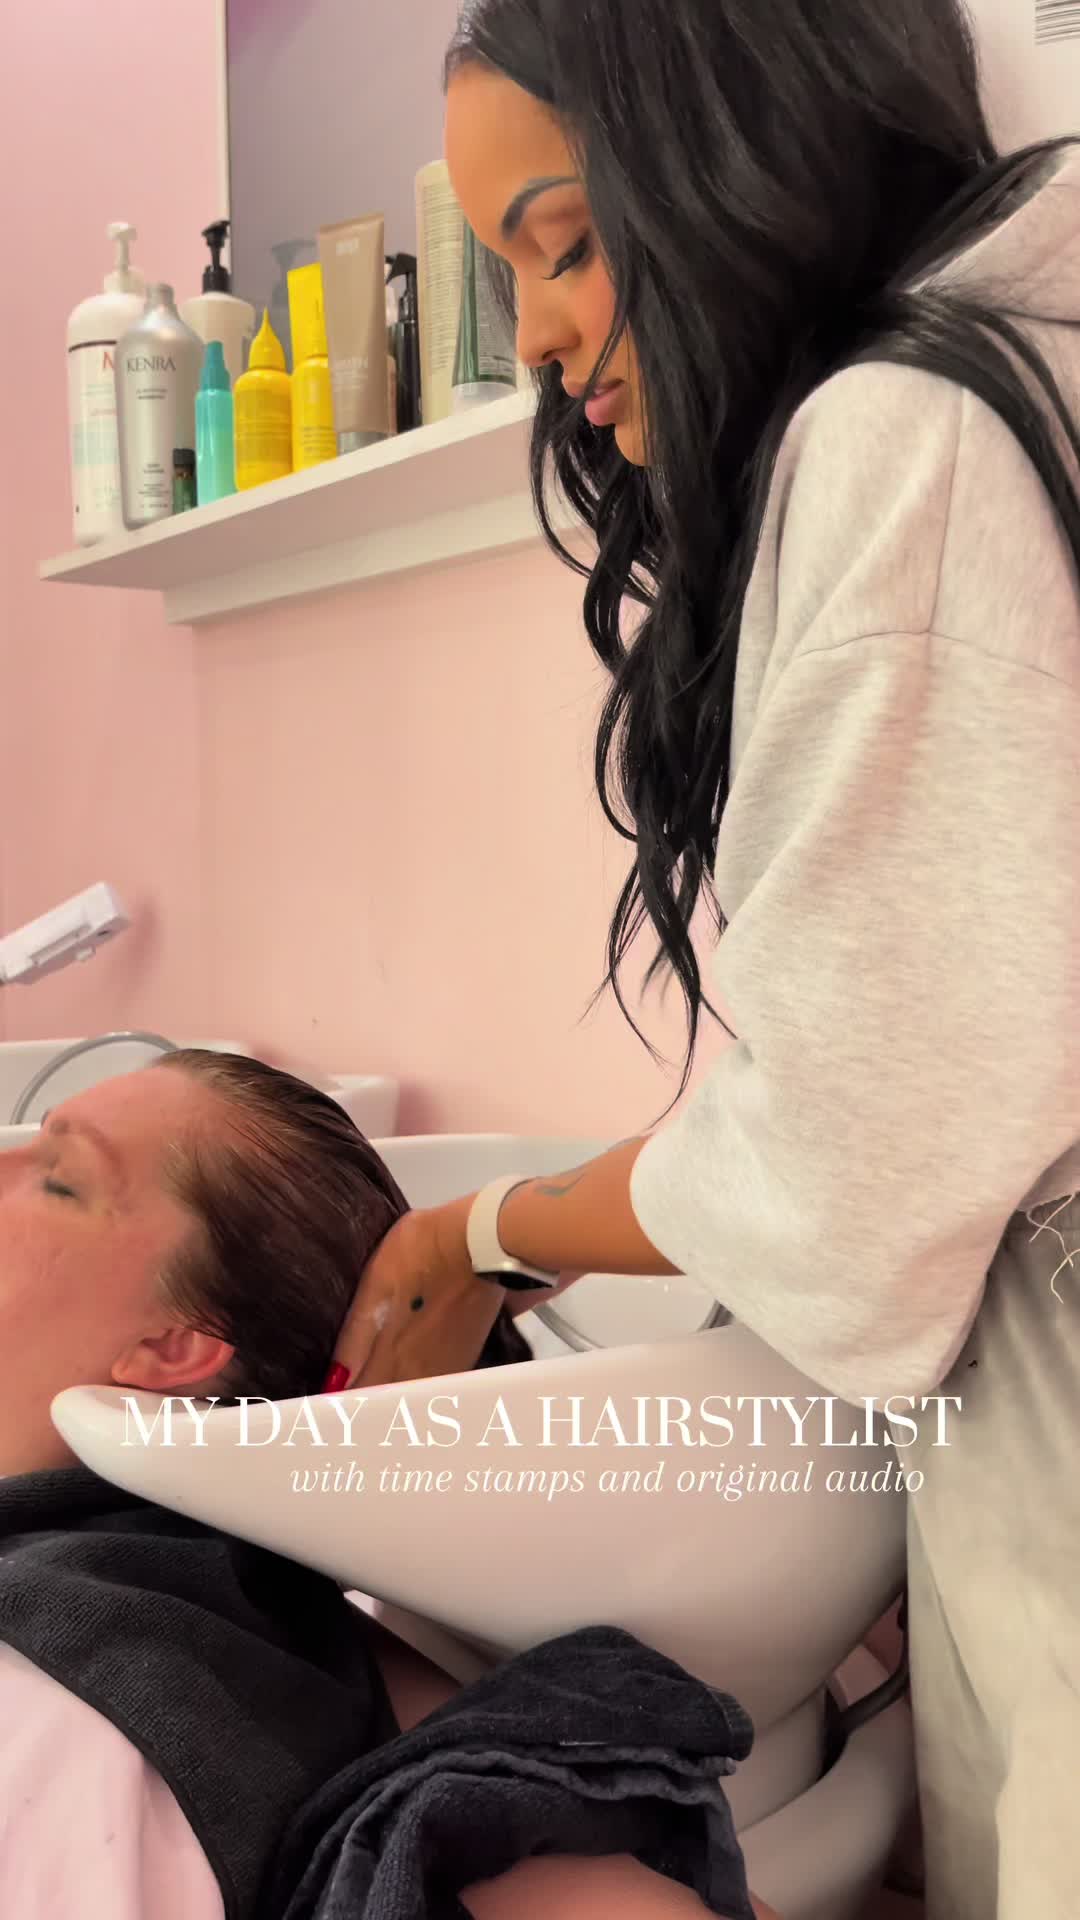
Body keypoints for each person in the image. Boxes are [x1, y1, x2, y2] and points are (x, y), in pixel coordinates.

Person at [330, 4, 1080, 1917]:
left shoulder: (908, 435)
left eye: (570, 244)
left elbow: (847, 1162)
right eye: (509, 275)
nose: (539, 338)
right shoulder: (1029, 363)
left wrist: (475, 1233)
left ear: (739, 153)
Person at [0, 1052, 775, 1920]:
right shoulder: (226, 1618)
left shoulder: (63, 1708)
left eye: (60, 1179)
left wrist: (476, 1236)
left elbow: (800, 1160)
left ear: (175, 1347)